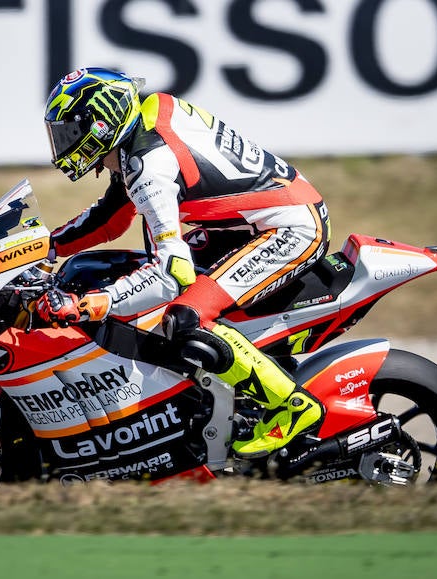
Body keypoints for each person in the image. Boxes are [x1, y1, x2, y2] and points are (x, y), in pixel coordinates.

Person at [35, 67, 331, 458]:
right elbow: (112, 216)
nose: (63, 145)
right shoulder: (144, 123)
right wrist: (43, 248)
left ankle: (291, 406)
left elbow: (171, 273)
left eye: (70, 133)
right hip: (254, 222)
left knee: (184, 317)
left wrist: (92, 303)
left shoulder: (148, 164)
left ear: (102, 123)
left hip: (290, 230)